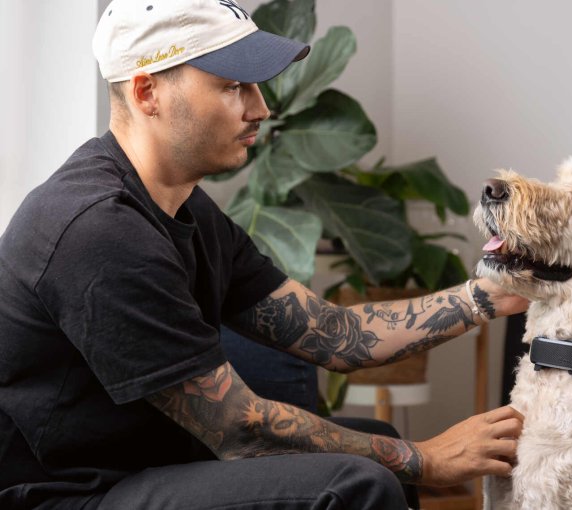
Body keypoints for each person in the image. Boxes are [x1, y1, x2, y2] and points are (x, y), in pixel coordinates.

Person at [0, 0, 529, 508]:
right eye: (232, 86)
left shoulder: (185, 209)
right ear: (146, 92)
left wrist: (487, 295)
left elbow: (336, 336)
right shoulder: (98, 227)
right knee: (358, 482)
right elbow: (238, 428)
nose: (261, 108)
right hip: (75, 494)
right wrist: (426, 459)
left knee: (378, 438)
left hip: (154, 465)